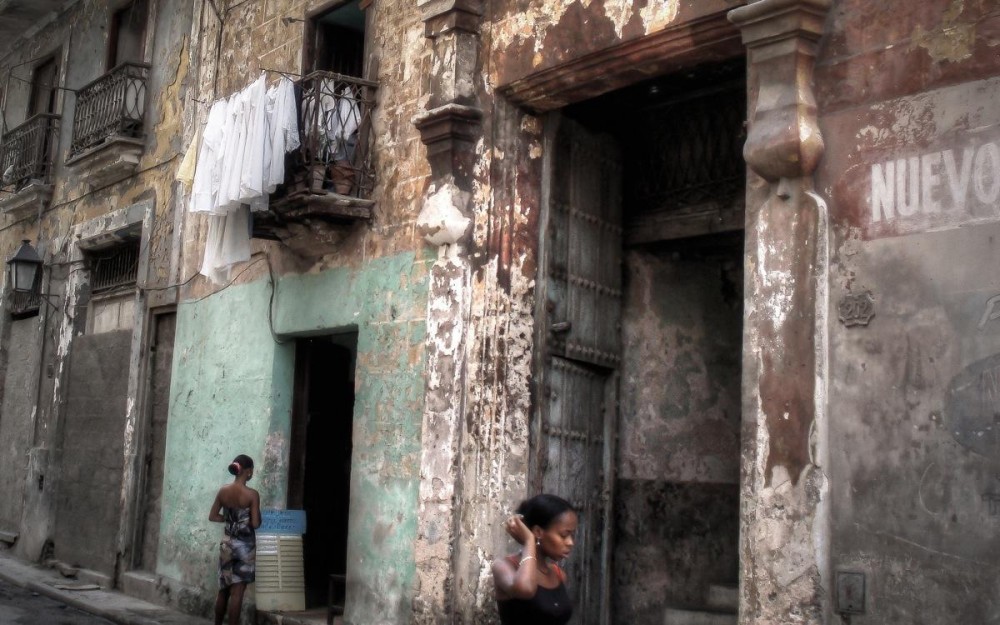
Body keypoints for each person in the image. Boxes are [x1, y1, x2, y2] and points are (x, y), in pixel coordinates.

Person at [492, 494, 579, 625]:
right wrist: (529, 541)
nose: (570, 542)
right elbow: (526, 588)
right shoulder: (505, 566)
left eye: (572, 535)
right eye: (564, 535)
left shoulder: (558, 574)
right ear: (538, 532)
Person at [209, 454, 262, 625]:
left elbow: (213, 516)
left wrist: (228, 520)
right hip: (245, 547)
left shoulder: (223, 491)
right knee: (238, 592)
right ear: (247, 471)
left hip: (227, 543)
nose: (252, 473)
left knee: (223, 589)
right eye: (251, 470)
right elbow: (255, 523)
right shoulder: (252, 495)